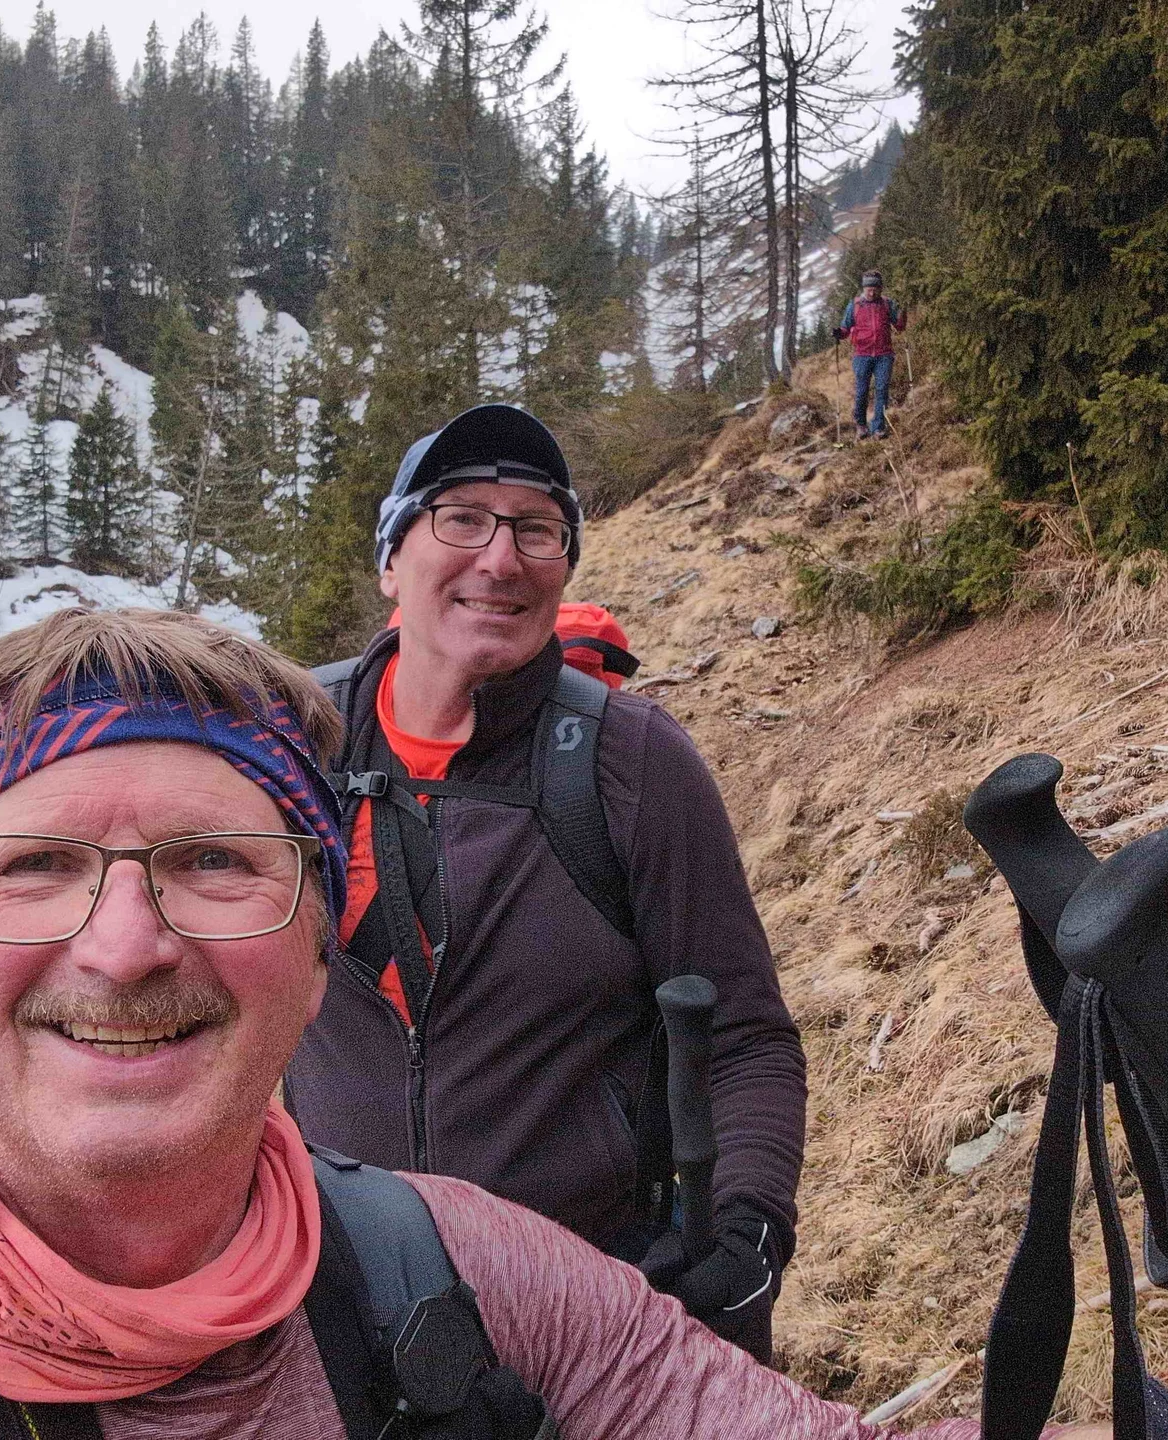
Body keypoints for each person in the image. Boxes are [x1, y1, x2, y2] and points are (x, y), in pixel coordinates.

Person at [0, 606, 978, 1440]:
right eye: (34, 867)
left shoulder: (466, 1276)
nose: (128, 945)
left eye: (215, 862)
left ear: (319, 961)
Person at [288, 403, 806, 1363]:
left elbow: (745, 1037)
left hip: (585, 1308)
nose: (501, 556)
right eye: (463, 518)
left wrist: (747, 1234)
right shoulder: (294, 742)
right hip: (338, 1301)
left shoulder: (629, 760)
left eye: (536, 528)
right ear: (390, 559)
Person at [833, 272, 908, 440]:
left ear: (880, 289)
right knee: (862, 391)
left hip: (884, 354)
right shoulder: (855, 305)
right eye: (869, 289)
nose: (872, 293)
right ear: (864, 288)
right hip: (862, 355)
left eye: (875, 289)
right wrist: (839, 333)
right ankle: (861, 424)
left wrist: (904, 312)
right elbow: (845, 328)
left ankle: (878, 427)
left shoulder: (887, 304)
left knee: (882, 390)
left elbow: (900, 326)